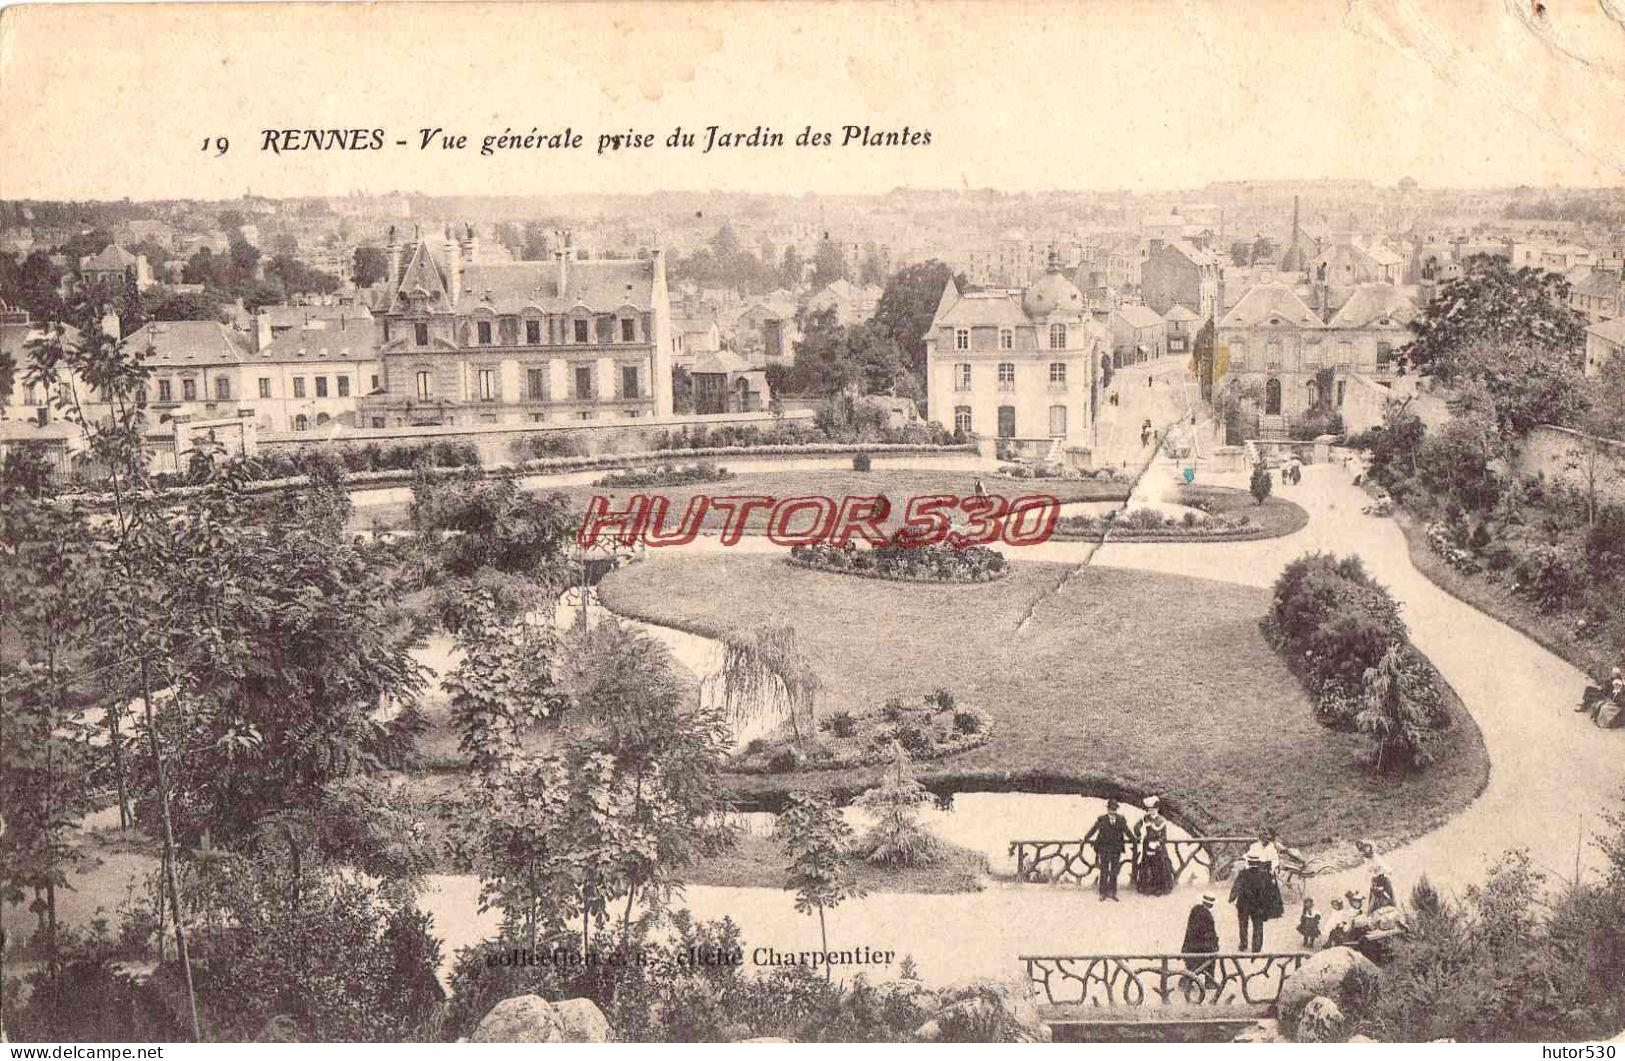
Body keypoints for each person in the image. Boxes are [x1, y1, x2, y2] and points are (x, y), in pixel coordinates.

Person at [1228, 829, 1286, 952]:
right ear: (1260, 838)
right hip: (1258, 904)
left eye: (1267, 838)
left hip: (1244, 903)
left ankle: (1244, 944)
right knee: (1258, 924)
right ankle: (1256, 947)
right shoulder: (1254, 849)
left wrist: (1232, 898)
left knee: (1243, 924)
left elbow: (1237, 886)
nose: (1265, 840)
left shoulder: (1243, 874)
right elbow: (1266, 891)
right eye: (1263, 838)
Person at [1082, 798, 1137, 901]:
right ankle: (1102, 893)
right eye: (1111, 809)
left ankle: (1113, 892)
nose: (1113, 811)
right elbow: (1093, 830)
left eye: (1115, 809)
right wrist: (1085, 838)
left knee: (1114, 871)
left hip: (1116, 849)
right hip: (1104, 849)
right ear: (1108, 810)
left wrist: (1134, 840)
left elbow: (1127, 831)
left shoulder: (1121, 820)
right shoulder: (1101, 819)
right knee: (1104, 870)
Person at [1133, 796, 1177, 896]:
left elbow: (1164, 837)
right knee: (1146, 866)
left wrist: (1157, 843)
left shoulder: (1162, 820)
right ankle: (1147, 888)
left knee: (1158, 867)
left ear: (1157, 809)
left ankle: (1158, 889)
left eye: (1153, 809)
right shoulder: (1145, 818)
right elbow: (1136, 827)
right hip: (1147, 844)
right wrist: (1138, 834)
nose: (1151, 811)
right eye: (1149, 809)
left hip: (1158, 846)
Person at [1182, 893, 1221, 982]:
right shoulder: (1205, 915)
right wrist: (1214, 943)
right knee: (1207, 962)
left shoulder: (1196, 911)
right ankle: (1209, 981)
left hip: (1191, 947)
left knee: (1193, 968)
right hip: (1200, 948)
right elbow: (1205, 934)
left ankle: (1188, 980)